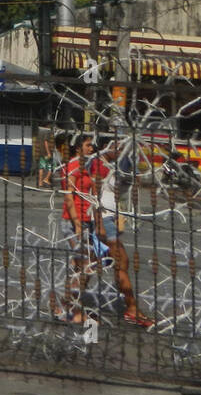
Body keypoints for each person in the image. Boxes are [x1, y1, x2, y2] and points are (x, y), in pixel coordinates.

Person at [54, 134, 153, 327]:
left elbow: (101, 193)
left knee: (89, 265)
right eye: (88, 145)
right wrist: (81, 224)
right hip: (86, 222)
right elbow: (73, 197)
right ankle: (67, 308)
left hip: (96, 220)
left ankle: (67, 305)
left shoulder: (98, 165)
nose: (92, 148)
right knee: (96, 263)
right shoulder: (83, 165)